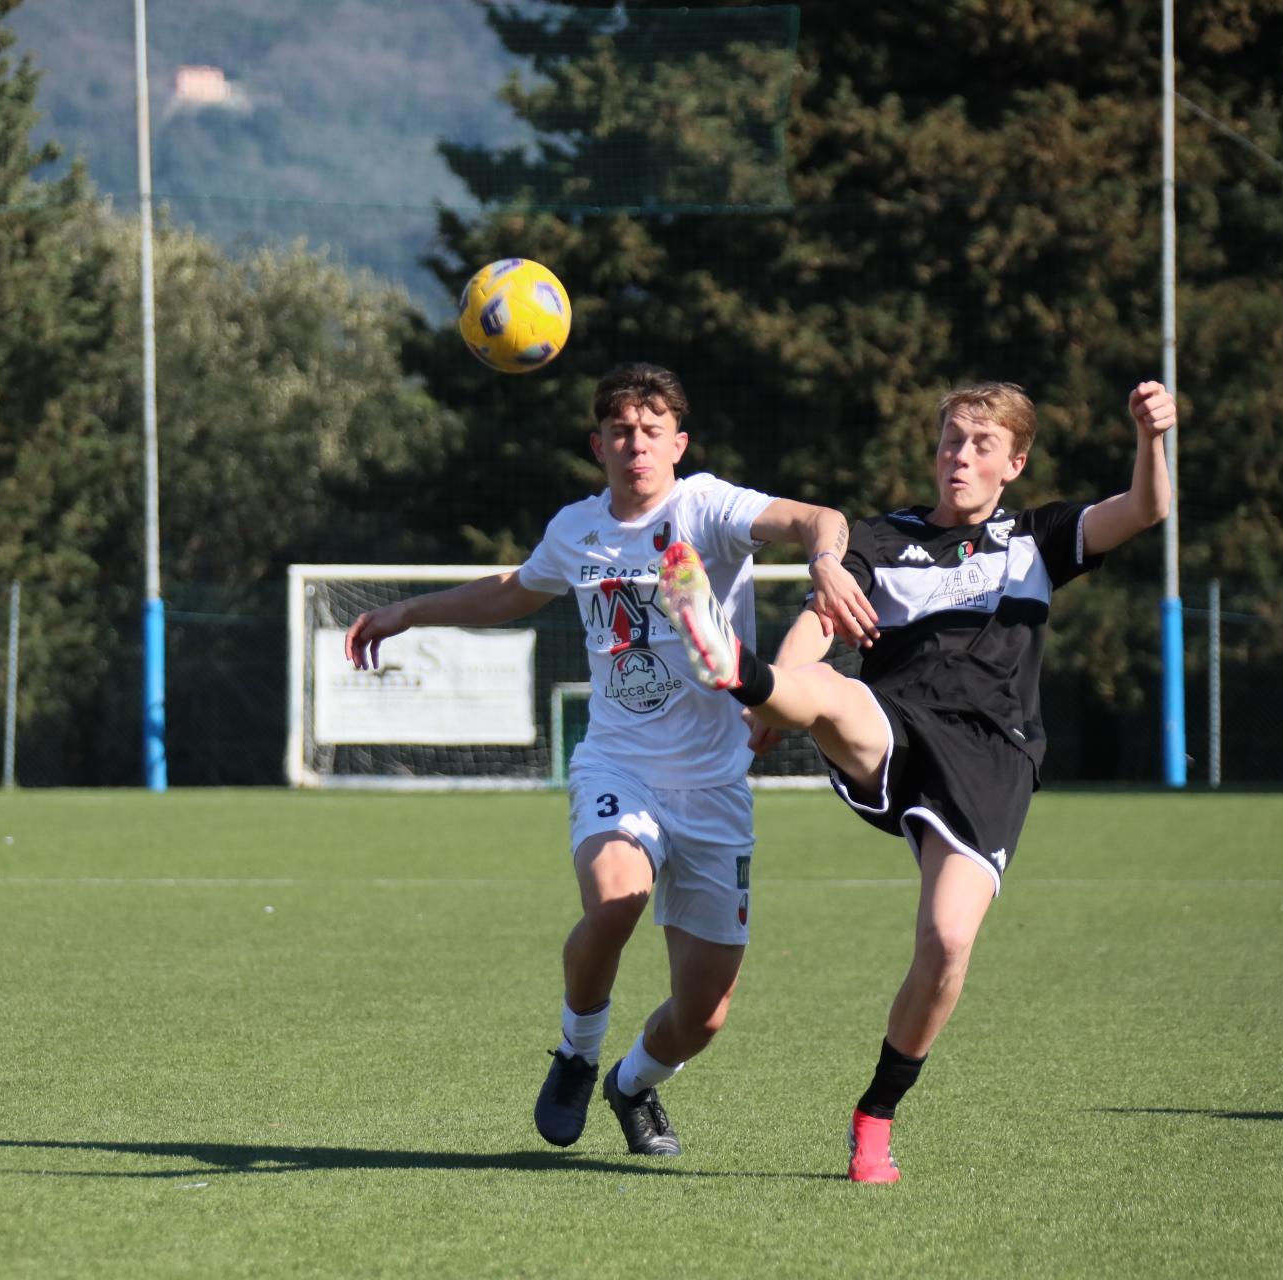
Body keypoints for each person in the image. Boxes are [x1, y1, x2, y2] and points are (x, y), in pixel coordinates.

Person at [345, 363, 873, 1156]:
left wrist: (825, 561)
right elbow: (512, 590)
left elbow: (820, 518)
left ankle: (631, 1083)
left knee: (704, 1015)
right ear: (598, 445)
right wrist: (410, 612)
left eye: (652, 431)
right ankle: (576, 1052)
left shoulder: (708, 509)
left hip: (715, 785)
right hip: (619, 768)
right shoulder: (576, 529)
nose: (637, 445)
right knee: (617, 898)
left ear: (679, 443)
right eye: (621, 432)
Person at [658, 379, 1176, 1182]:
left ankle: (876, 1115)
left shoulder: (1036, 539)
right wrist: (780, 691)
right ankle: (737, 668)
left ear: (1014, 464)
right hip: (894, 727)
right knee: (826, 689)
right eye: (950, 441)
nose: (959, 457)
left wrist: (1150, 438)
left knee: (947, 944)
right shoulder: (878, 538)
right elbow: (821, 623)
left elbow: (1143, 509)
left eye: (980, 445)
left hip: (991, 759)